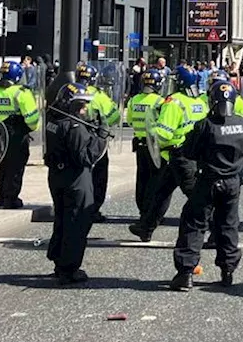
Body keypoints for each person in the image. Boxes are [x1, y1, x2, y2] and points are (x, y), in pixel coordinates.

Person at [170, 81, 243, 290]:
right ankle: (228, 270)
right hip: (233, 181)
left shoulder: (205, 125)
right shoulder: (242, 124)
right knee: (228, 225)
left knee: (194, 223)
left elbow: (190, 152)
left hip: (208, 180)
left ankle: (185, 272)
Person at [129, 64, 208, 242]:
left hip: (178, 154)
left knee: (196, 196)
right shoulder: (199, 102)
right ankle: (146, 227)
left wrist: (152, 134)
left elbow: (164, 133)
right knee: (161, 192)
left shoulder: (174, 102)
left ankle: (216, 231)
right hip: (189, 154)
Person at [42, 83, 107, 285]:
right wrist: (100, 137)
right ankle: (69, 268)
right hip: (76, 178)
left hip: (57, 175)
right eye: (82, 105)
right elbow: (86, 157)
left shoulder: (53, 120)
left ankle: (59, 260)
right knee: (76, 221)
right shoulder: (75, 126)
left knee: (62, 218)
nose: (85, 109)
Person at [0, 61, 41, 210]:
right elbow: (31, 117)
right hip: (17, 132)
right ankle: (11, 198)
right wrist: (32, 128)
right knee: (16, 166)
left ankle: (1, 196)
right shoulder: (21, 92)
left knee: (3, 164)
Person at [74, 63, 121, 222]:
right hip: (94, 140)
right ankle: (92, 209)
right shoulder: (99, 96)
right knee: (98, 176)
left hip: (73, 137)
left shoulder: (68, 90)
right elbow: (114, 117)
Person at [126, 70, 164, 217]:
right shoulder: (159, 101)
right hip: (154, 145)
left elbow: (129, 121)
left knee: (142, 179)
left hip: (140, 144)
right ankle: (151, 211)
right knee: (155, 179)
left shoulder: (134, 100)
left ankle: (142, 209)